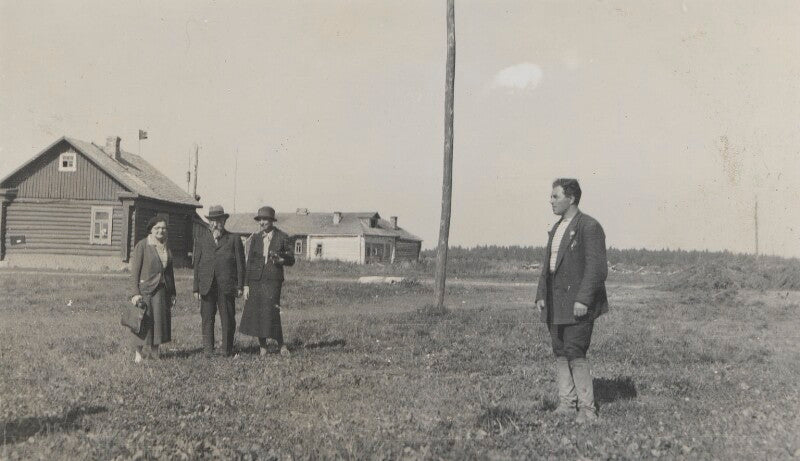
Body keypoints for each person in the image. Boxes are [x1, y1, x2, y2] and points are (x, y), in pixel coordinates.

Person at [534, 178, 608, 423]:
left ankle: (587, 410)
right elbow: (548, 266)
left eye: (555, 196)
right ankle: (567, 404)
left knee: (575, 351)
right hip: (555, 304)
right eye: (551, 196)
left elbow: (597, 269)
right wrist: (541, 295)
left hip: (578, 305)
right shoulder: (557, 228)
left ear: (571, 198)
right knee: (560, 351)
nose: (550, 201)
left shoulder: (589, 226)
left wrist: (583, 300)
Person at [239, 206, 295, 357]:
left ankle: (281, 344)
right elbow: (250, 262)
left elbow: (291, 259)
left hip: (273, 281)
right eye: (260, 220)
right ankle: (262, 346)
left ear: (271, 220)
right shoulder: (256, 238)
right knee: (257, 312)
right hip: (256, 281)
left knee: (272, 312)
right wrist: (246, 285)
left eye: (264, 219)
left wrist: (281, 260)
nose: (261, 223)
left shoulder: (282, 237)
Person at [193, 205, 246, 357]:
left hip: (226, 286)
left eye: (219, 221)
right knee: (207, 318)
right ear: (209, 222)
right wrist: (196, 288)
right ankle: (208, 350)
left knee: (228, 318)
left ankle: (226, 349)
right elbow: (197, 265)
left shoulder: (234, 239)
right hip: (207, 285)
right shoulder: (202, 240)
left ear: (224, 221)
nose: (216, 224)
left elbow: (241, 265)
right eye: (212, 221)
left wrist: (240, 286)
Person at [129, 216, 176, 363]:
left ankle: (155, 353)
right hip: (146, 290)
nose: (161, 231)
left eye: (163, 228)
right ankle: (138, 353)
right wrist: (135, 293)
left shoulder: (166, 246)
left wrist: (172, 293)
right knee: (142, 322)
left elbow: (169, 272)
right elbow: (135, 272)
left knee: (158, 322)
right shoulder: (142, 245)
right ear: (151, 229)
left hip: (161, 290)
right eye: (157, 228)